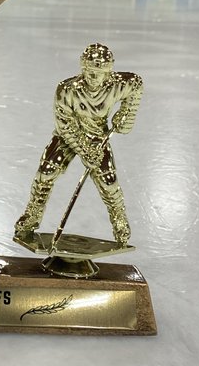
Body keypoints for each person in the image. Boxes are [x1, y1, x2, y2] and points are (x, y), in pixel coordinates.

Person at [15, 44, 143, 246]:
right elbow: (64, 125)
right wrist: (85, 150)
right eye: (89, 72)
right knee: (45, 173)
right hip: (69, 137)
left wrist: (127, 114)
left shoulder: (117, 85)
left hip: (97, 138)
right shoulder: (66, 90)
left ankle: (120, 222)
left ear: (108, 72)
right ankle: (32, 217)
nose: (93, 77)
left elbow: (136, 85)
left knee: (109, 184)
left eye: (98, 73)